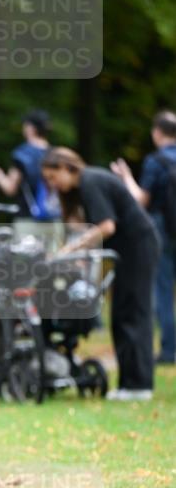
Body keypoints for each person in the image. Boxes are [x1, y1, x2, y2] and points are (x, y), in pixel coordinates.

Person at [41, 147, 159, 401]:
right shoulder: (83, 187)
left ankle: (139, 385)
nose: (53, 185)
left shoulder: (90, 181)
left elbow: (106, 226)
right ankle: (130, 384)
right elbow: (86, 227)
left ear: (65, 167)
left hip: (137, 247)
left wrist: (68, 251)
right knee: (120, 315)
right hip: (125, 251)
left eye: (52, 177)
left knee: (133, 313)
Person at [110, 109, 176, 365]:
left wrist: (125, 177)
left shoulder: (155, 161)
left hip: (161, 227)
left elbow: (141, 200)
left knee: (161, 288)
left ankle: (170, 350)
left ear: (157, 133)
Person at [0, 109, 62, 251]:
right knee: (54, 266)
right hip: (54, 221)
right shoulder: (56, 154)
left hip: (28, 220)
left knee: (25, 268)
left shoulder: (22, 153)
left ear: (31, 128)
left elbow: (10, 188)